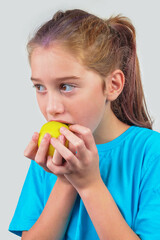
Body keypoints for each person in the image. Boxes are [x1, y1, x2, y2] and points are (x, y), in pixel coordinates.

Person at [9, 9, 160, 240]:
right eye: (40, 87)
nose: (51, 108)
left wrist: (89, 185)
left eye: (66, 86)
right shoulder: (48, 158)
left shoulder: (150, 153)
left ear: (113, 85)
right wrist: (65, 179)